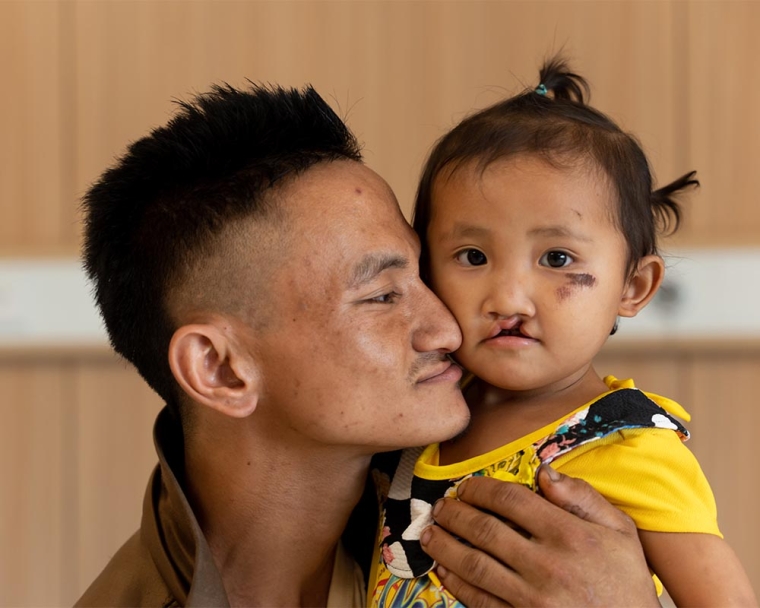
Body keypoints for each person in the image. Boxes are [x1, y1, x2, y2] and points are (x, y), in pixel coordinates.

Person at [77, 81, 662, 607]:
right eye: (382, 295)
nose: (448, 328)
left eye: (427, 272)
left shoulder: (528, 501)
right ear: (221, 369)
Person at [370, 58, 757, 607]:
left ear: (634, 285)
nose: (507, 298)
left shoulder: (631, 446)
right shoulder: (409, 422)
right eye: (472, 256)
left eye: (557, 257)